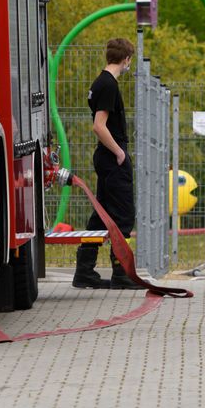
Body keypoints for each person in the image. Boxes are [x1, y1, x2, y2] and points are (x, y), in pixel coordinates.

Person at [72, 38, 145, 290]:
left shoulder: (99, 83)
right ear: (126, 59)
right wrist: (119, 153)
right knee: (123, 214)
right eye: (129, 61)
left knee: (101, 217)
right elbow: (99, 126)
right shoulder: (109, 85)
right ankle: (121, 273)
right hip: (112, 157)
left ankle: (84, 271)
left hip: (105, 157)